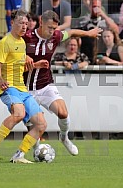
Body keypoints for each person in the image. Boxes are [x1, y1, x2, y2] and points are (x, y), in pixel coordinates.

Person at [23, 10, 101, 156]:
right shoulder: (27, 37)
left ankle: (64, 138)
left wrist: (89, 33)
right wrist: (25, 56)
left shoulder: (56, 36)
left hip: (46, 85)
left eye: (54, 28)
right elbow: (13, 52)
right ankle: (37, 148)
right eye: (50, 28)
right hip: (26, 89)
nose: (53, 31)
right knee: (34, 124)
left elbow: (71, 32)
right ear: (41, 22)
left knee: (63, 113)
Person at [0, 9, 47, 164]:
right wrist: (1, 80)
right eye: (21, 23)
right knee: (19, 113)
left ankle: (19, 155)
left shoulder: (22, 42)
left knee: (41, 124)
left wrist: (36, 65)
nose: (24, 26)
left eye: (26, 23)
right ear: (12, 23)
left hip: (22, 89)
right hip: (9, 87)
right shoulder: (5, 42)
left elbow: (18, 67)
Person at [79, 0, 119, 64]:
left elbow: (116, 31)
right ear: (89, 7)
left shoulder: (106, 21)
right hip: (86, 56)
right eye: (94, 6)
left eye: (98, 6)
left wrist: (103, 15)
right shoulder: (83, 21)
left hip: (101, 56)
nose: (96, 9)